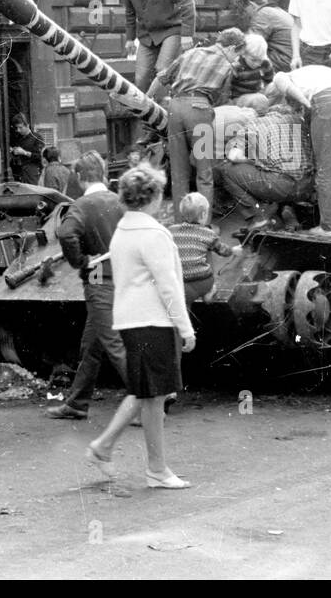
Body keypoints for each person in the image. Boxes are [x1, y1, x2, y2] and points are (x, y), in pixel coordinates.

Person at [85, 165, 197, 489]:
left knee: (147, 393)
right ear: (156, 196)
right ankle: (156, 469)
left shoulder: (124, 229)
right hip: (153, 319)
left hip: (132, 319)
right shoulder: (153, 234)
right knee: (154, 395)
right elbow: (169, 286)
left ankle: (105, 448)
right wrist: (185, 328)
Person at [48, 152, 128, 421]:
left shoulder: (81, 205)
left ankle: (151, 398)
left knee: (112, 344)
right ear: (103, 174)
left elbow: (65, 233)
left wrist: (81, 261)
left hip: (97, 279)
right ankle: (76, 402)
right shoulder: (120, 201)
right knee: (92, 344)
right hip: (123, 277)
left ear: (80, 177)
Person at [150, 28, 246, 211]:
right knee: (204, 173)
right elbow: (222, 101)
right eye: (238, 54)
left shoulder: (190, 53)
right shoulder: (227, 65)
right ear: (232, 48)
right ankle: (203, 224)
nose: (237, 59)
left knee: (179, 173)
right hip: (200, 111)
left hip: (175, 108)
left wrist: (146, 97)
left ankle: (181, 223)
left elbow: (161, 78)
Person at [268, 67, 331, 237]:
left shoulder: (281, 77)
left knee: (325, 165)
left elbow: (299, 97)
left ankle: (328, 227)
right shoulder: (310, 73)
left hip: (325, 100)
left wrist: (308, 105)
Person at [117, 0, 196, 93]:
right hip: (147, 34)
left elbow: (187, 1)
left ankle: (169, 107)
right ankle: (146, 114)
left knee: (163, 71)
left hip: (170, 30)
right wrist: (130, 38)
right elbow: (130, 10)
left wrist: (187, 34)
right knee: (141, 78)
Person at [219, 100, 315, 225]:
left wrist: (255, 162)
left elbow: (233, 156)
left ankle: (259, 217)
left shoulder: (255, 124)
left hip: (278, 186)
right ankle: (288, 211)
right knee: (285, 167)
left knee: (226, 170)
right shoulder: (300, 122)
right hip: (307, 186)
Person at [168, 192, 241, 304]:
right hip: (202, 282)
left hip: (179, 281)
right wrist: (233, 250)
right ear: (203, 215)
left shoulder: (171, 231)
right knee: (207, 250)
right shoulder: (207, 233)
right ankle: (209, 293)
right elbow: (223, 250)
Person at [240, 0, 294, 73]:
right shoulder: (278, 11)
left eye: (245, 11)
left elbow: (251, 44)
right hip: (291, 60)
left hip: (281, 62)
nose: (247, 15)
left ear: (251, 5)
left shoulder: (263, 14)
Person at [230, 32, 275, 103]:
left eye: (260, 60)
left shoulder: (265, 63)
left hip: (258, 93)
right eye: (253, 60)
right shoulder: (236, 65)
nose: (257, 64)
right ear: (243, 54)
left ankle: (270, 108)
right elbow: (227, 88)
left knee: (277, 86)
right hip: (240, 98)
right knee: (258, 99)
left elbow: (270, 81)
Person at [9, 114, 45, 185]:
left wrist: (24, 152)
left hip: (32, 173)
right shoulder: (17, 138)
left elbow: (40, 157)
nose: (18, 130)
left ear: (27, 125)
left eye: (20, 127)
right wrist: (12, 150)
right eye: (16, 128)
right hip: (19, 172)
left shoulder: (37, 138)